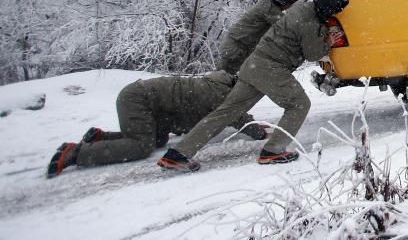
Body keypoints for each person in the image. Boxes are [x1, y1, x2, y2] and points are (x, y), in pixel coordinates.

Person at [158, 0, 349, 171]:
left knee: (226, 111)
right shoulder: (310, 22)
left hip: (253, 64)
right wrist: (328, 41)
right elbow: (313, 54)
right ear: (327, 7)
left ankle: (178, 153)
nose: (334, 14)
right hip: (272, 68)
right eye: (334, 11)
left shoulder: (300, 7)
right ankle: (273, 150)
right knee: (299, 104)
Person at [46, 70, 267, 178]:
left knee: (157, 140)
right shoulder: (220, 94)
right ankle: (75, 153)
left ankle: (101, 138)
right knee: (141, 146)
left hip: (145, 100)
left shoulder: (218, 83)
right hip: (138, 99)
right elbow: (238, 116)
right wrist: (263, 133)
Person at [218, 0, 302, 75]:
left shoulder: (268, 4)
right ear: (285, 2)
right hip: (236, 48)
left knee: (230, 78)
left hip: (241, 47)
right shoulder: (269, 8)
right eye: (292, 5)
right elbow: (287, 26)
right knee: (222, 79)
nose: (290, 8)